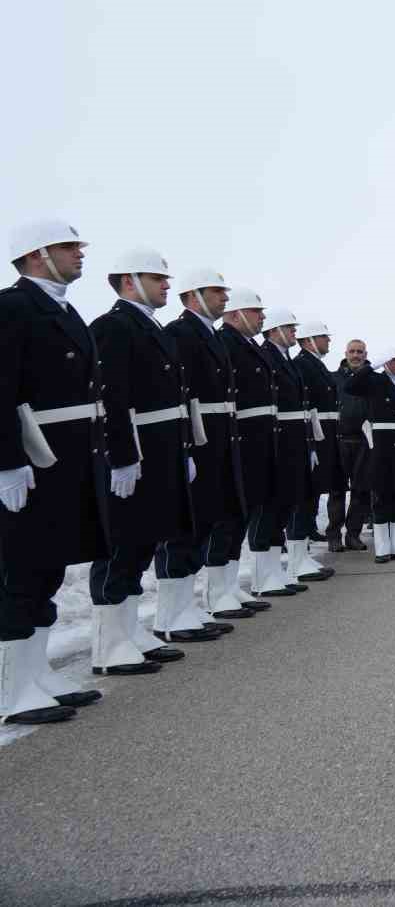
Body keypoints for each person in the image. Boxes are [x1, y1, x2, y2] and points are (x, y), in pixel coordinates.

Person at [90, 248, 219, 666]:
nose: (167, 284)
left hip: (162, 447)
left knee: (143, 541)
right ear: (129, 281)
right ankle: (109, 645)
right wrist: (122, 456)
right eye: (157, 278)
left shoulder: (152, 328)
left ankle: (130, 633)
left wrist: (182, 448)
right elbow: (111, 396)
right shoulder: (113, 326)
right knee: (122, 544)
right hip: (137, 450)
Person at [1, 219, 107, 725]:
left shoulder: (62, 307)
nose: (79, 254)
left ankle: (37, 674)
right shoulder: (12, 306)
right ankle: (14, 691)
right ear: (39, 254)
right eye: (70, 247)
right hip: (31, 458)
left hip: (65, 459)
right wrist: (7, 464)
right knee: (21, 573)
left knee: (47, 568)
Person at [168, 268, 253, 623]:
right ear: (193, 295)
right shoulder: (179, 332)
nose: (224, 297)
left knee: (212, 519)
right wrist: (185, 446)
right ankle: (173, 613)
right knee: (189, 526)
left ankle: (191, 605)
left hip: (219, 435)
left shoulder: (210, 335)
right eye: (216, 291)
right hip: (199, 437)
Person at [218, 288, 296, 601]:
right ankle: (223, 590)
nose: (262, 317)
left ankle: (262, 576)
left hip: (265, 439)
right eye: (256, 311)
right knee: (235, 517)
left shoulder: (250, 347)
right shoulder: (226, 342)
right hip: (244, 440)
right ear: (236, 314)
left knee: (268, 508)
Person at [257, 308, 329, 589]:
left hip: (297, 436)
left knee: (295, 500)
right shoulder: (269, 355)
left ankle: (288, 565)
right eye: (289, 328)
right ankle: (273, 572)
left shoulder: (284, 359)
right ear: (274, 331)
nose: (293, 334)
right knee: (279, 506)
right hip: (282, 438)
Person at [344, 348, 395, 563]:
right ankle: (382, 544)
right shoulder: (375, 381)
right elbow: (350, 386)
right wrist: (371, 366)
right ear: (386, 362)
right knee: (382, 494)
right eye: (394, 360)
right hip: (382, 445)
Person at [293, 319, 345, 560]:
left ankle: (303, 548)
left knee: (313, 492)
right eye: (324, 337)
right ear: (308, 341)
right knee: (306, 495)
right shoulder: (303, 365)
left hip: (326, 434)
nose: (328, 341)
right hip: (315, 436)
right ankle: (298, 550)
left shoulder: (316, 365)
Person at [333, 340, 372, 551]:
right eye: (352, 351)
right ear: (345, 353)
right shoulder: (334, 377)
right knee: (337, 490)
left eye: (360, 352)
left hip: (365, 442)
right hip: (339, 440)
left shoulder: (373, 379)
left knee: (361, 491)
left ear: (366, 354)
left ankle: (353, 534)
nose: (356, 355)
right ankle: (334, 535)